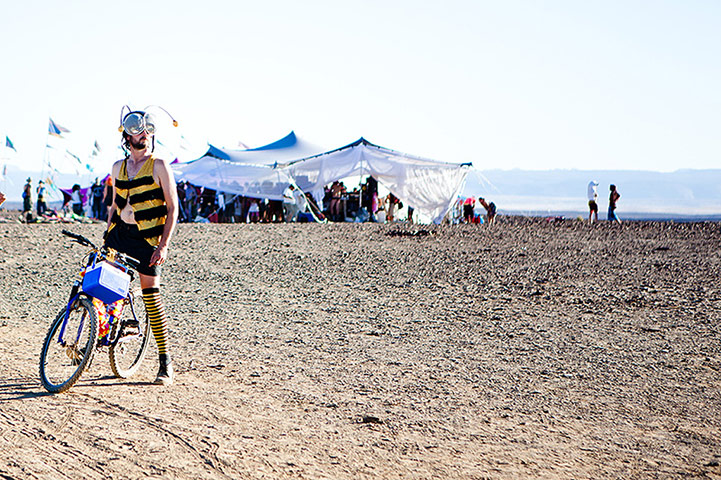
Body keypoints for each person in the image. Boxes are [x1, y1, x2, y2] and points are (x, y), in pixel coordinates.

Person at [104, 108, 179, 385]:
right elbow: (115, 204)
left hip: (148, 239)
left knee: (152, 299)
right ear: (127, 136)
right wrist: (107, 233)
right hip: (120, 235)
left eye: (148, 132)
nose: (144, 136)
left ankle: (165, 362)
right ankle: (94, 341)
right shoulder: (117, 167)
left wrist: (163, 246)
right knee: (102, 285)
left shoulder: (159, 165)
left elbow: (173, 209)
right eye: (138, 132)